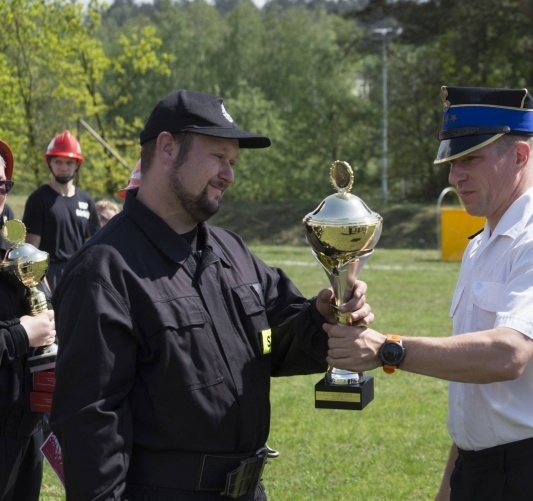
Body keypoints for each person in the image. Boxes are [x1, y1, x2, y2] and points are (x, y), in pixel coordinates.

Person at [49, 89, 373, 501]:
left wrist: (326, 316)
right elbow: (90, 427)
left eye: (233, 162)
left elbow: (276, 342)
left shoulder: (231, 251)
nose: (228, 175)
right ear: (168, 148)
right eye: (219, 157)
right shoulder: (104, 271)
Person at [325, 86, 533, 500]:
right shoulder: (481, 246)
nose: (454, 176)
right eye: (453, 162)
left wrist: (388, 349)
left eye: (470, 159)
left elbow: (507, 355)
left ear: (520, 156)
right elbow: (475, 394)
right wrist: (449, 489)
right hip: (477, 472)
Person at [0, 139, 58, 501]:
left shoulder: (14, 245)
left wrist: (48, 319)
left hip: (27, 426)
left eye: (1, 185)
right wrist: (23, 332)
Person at [22, 130, 101, 289]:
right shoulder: (38, 199)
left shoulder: (87, 201)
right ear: (49, 163)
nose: (63, 167)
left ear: (77, 164)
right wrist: (39, 285)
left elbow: (93, 247)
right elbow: (30, 250)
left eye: (69, 163)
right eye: (58, 162)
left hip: (81, 274)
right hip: (48, 275)